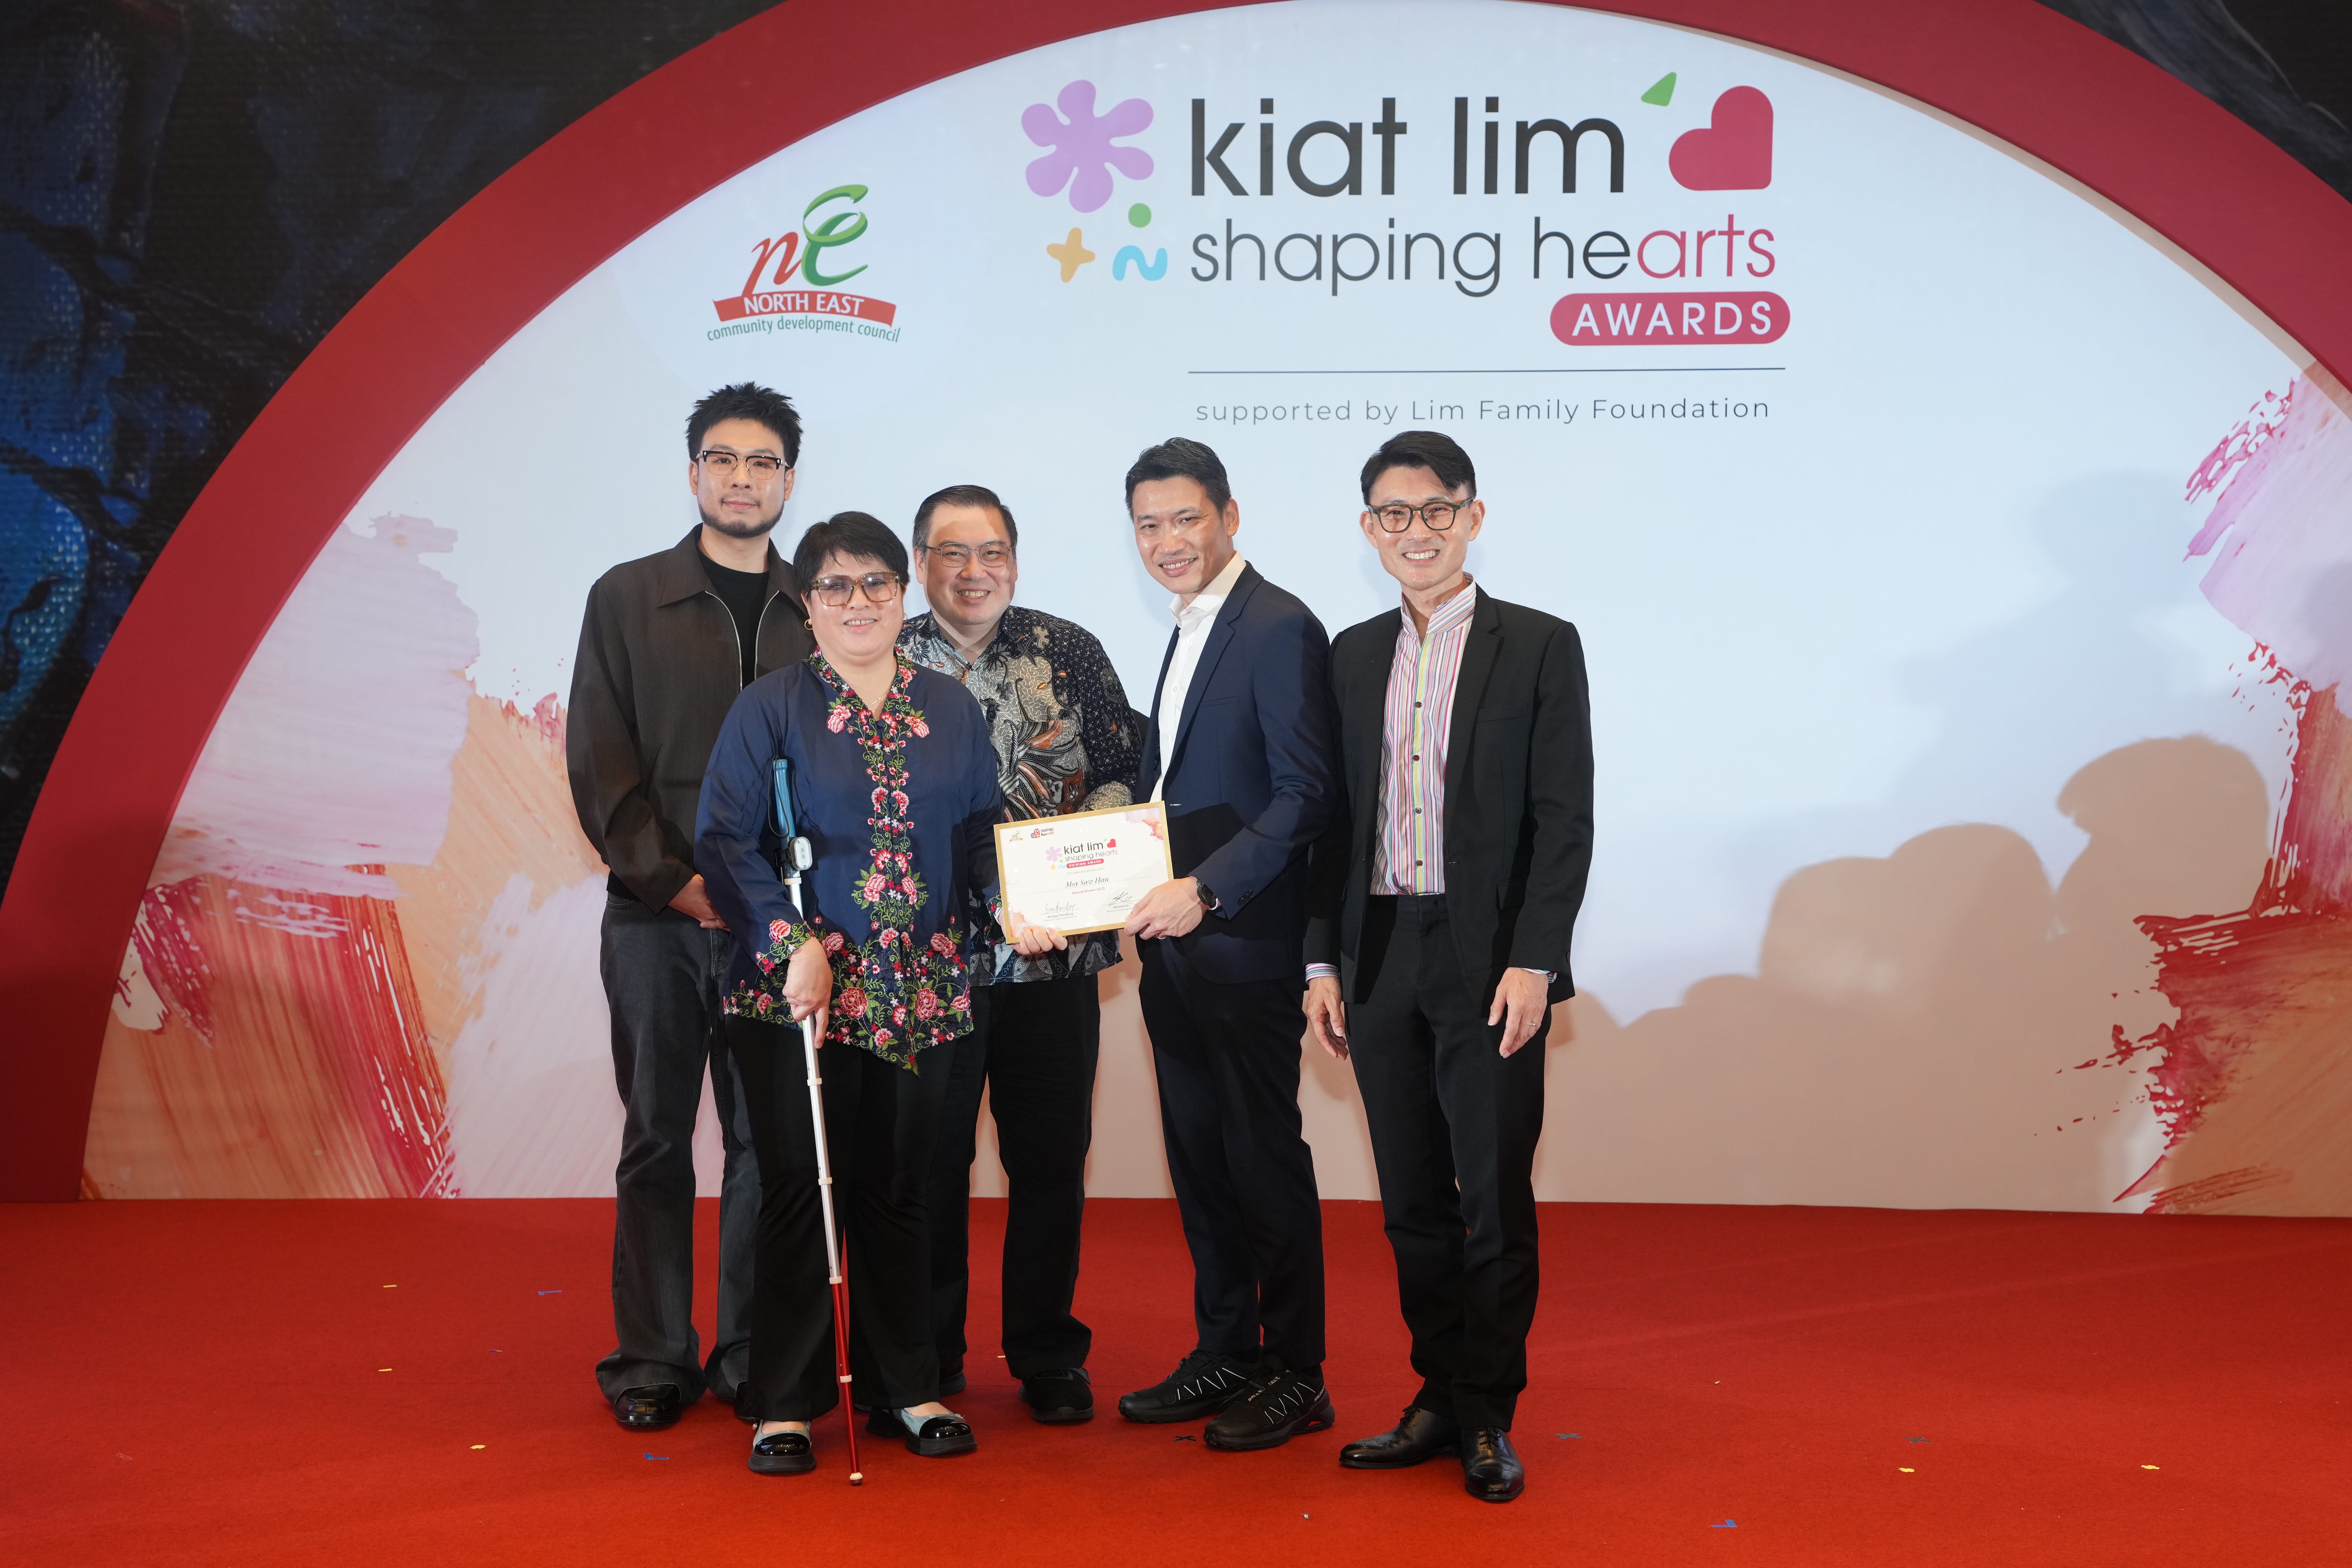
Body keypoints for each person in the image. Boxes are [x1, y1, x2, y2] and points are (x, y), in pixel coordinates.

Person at [695, 511, 1063, 1476]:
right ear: (806, 604)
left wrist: (1010, 906)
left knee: (902, 1191)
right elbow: (726, 842)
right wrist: (790, 944)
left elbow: (978, 832)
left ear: (903, 595)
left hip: (922, 991)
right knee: (800, 1191)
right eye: (835, 586)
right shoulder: (770, 707)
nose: (857, 602)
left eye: (876, 584)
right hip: (798, 995)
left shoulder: (950, 708)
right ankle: (785, 1402)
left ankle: (909, 1385)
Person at [1303, 431, 1594, 1504]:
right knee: (1411, 1198)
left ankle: (1487, 1413)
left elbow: (1564, 821)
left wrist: (1535, 961)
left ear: (1473, 516)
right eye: (1394, 514)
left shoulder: (1540, 644)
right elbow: (1333, 826)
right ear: (1368, 527)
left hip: (1489, 963)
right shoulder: (1350, 654)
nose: (1415, 532)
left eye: (1436, 510)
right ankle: (1436, 1393)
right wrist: (1319, 962)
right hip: (1378, 952)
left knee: (1493, 1198)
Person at [566, 382, 811, 1431]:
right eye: (724, 460)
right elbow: (599, 761)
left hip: (778, 930)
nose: (742, 479)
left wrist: (766, 904)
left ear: (789, 480)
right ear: (695, 472)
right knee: (658, 1138)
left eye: (762, 463)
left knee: (766, 1145)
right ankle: (653, 1358)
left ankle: (751, 1350)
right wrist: (677, 883)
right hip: (654, 919)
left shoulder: (818, 606)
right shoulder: (628, 597)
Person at [898, 484, 1142, 1424]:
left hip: (1053, 962)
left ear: (1015, 559)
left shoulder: (1068, 650)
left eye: (992, 551)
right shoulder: (886, 657)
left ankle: (1047, 1353)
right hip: (928, 969)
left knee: (1050, 1162)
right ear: (921, 563)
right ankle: (928, 1354)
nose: (975, 572)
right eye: (953, 553)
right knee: (931, 1166)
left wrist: (1070, 875)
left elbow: (1122, 771)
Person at [1114, 437, 1339, 1451]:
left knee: (1260, 1160)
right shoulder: (1191, 623)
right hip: (1175, 952)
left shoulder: (1278, 625)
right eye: (1148, 525)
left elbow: (1306, 793)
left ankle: (1297, 1370)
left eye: (1186, 519)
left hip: (1243, 944)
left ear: (1230, 517)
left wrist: (1205, 889)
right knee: (1201, 1161)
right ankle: (1226, 1350)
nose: (1168, 541)